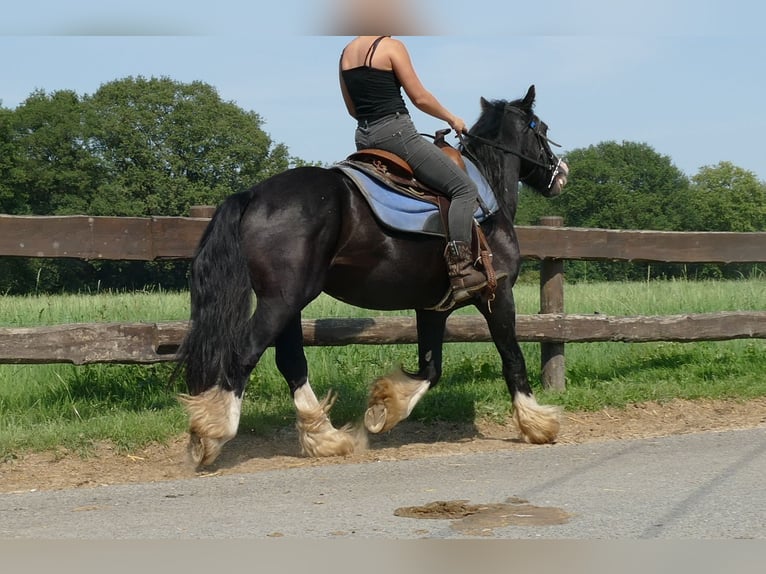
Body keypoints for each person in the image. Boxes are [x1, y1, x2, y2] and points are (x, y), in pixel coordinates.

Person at [339, 35, 500, 304]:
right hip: (397, 134)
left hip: (363, 137)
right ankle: (461, 270)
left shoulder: (346, 53)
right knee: (464, 189)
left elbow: (352, 108)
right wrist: (452, 118)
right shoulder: (390, 46)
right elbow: (420, 97)